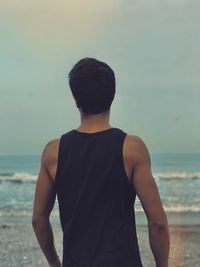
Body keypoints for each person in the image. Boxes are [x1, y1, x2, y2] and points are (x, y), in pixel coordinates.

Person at [32, 57, 170, 267]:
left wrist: (55, 263)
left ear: (76, 99)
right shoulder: (131, 148)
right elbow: (158, 223)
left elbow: (39, 219)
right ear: (112, 96)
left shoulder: (54, 152)